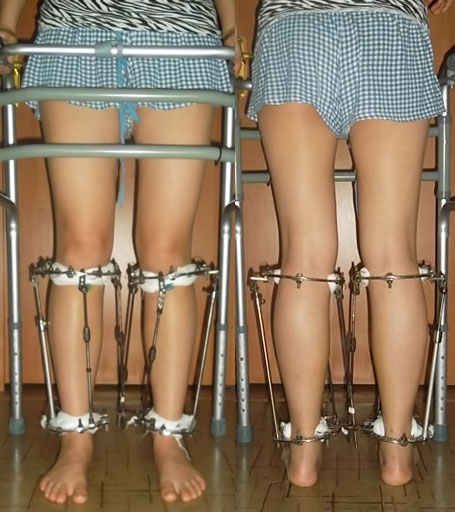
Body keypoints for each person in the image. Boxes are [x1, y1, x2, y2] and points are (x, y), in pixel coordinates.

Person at [0, 0, 237, 504]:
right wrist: (5, 22)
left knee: (168, 255)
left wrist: (233, 25)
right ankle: (75, 436)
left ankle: (169, 434)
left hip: (180, 34)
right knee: (79, 248)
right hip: (74, 31)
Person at [247, 0, 452, 488]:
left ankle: (303, 451)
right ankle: (398, 451)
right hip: (388, 27)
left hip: (294, 30)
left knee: (304, 256)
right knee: (393, 256)